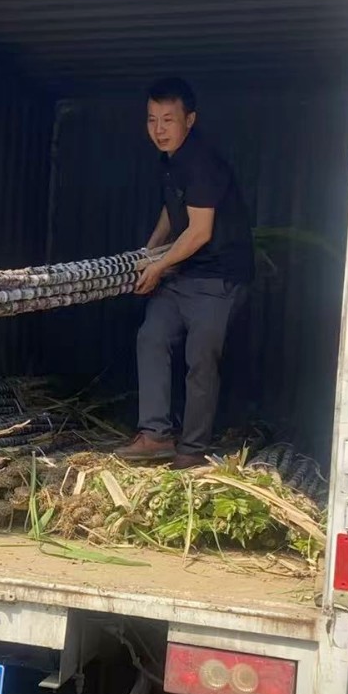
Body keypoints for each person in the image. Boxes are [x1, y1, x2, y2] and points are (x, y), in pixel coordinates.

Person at [117, 77, 254, 470]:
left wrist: (158, 266)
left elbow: (199, 232)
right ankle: (155, 435)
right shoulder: (171, 160)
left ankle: (192, 450)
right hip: (184, 274)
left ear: (189, 120)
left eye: (168, 120)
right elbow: (173, 208)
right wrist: (149, 250)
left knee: (200, 358)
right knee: (152, 336)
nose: (159, 130)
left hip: (219, 279)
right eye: (152, 120)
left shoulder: (202, 162)